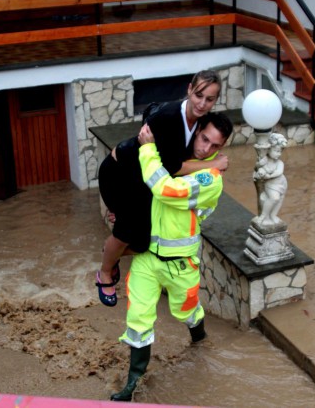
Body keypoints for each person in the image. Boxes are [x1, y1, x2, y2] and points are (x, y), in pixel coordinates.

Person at [110, 111, 233, 402]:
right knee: (138, 321)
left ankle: (199, 338)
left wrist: (148, 148)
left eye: (215, 146)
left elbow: (165, 190)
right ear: (196, 131)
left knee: (187, 312)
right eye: (203, 138)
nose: (206, 148)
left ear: (222, 148)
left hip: (181, 265)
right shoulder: (175, 158)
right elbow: (142, 187)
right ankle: (131, 385)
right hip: (148, 259)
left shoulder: (211, 177)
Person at [96, 70, 228, 307]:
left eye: (209, 99)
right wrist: (213, 164)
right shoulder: (170, 116)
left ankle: (111, 252)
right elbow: (171, 166)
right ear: (189, 89)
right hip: (120, 173)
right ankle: (105, 272)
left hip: (143, 180)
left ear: (215, 101)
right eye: (199, 95)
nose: (202, 103)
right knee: (127, 231)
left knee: (144, 242)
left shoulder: (200, 122)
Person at [253, 133, 288, 227]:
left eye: (280, 151)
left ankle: (273, 215)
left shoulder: (280, 163)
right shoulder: (264, 161)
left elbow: (279, 172)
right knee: (274, 198)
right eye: (276, 151)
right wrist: (260, 168)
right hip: (270, 184)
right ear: (268, 149)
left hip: (281, 183)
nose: (279, 154)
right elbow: (257, 169)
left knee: (280, 199)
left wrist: (269, 175)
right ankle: (263, 216)